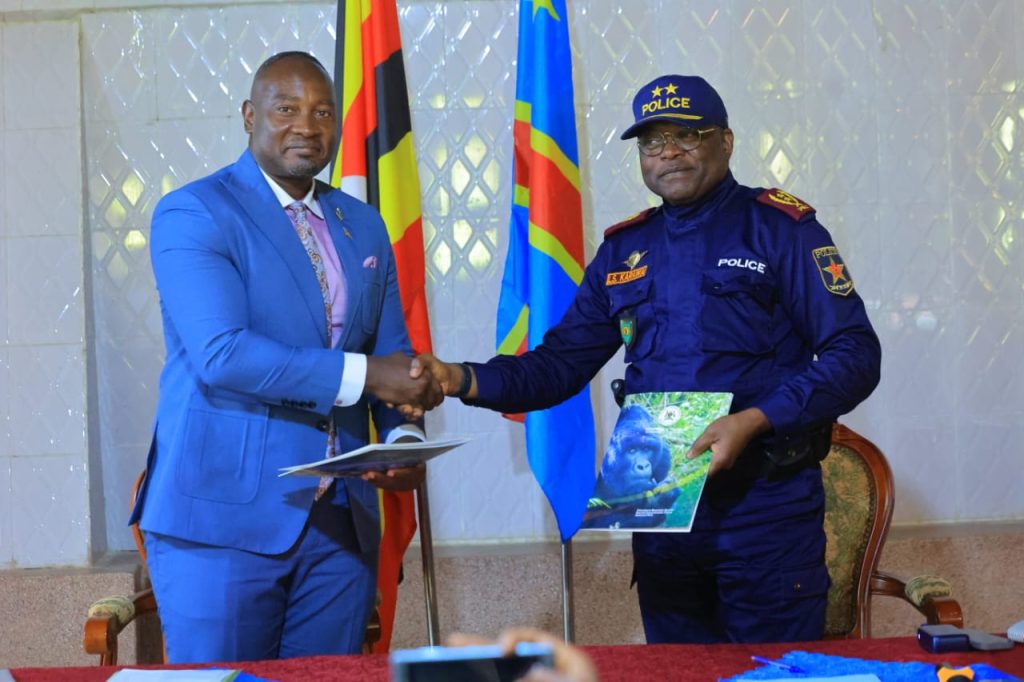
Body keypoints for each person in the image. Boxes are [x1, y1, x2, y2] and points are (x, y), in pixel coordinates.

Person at [414, 74, 881, 644]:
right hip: (660, 510)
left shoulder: (781, 230)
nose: (669, 153)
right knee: (672, 673)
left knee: (773, 675)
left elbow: (856, 354)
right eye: (653, 141)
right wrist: (459, 377)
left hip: (764, 513)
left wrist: (755, 420)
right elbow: (556, 366)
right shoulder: (624, 250)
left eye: (688, 135)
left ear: (725, 142)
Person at [129, 51, 442, 662]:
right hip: (220, 523)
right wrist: (366, 376)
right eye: (287, 109)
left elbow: (390, 355)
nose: (306, 126)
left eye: (322, 112)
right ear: (250, 116)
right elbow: (224, 354)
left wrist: (403, 443)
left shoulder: (362, 224)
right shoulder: (195, 212)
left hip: (340, 526)